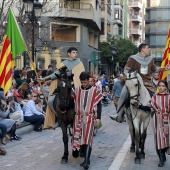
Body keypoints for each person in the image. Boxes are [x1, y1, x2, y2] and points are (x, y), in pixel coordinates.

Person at [109, 43, 170, 122]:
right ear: (143, 49)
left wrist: (165, 68)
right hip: (134, 82)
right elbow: (126, 70)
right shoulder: (133, 58)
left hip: (147, 83)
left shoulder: (150, 59)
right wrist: (130, 76)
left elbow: (155, 69)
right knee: (123, 93)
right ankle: (119, 114)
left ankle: (157, 114)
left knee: (155, 96)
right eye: (148, 48)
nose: (149, 50)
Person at [38, 47, 85, 128]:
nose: (75, 54)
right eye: (73, 52)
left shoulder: (79, 63)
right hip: (63, 86)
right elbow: (56, 74)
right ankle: (59, 118)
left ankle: (79, 119)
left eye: (76, 52)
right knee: (50, 101)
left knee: (80, 101)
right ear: (69, 53)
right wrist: (44, 79)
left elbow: (82, 76)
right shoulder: (64, 64)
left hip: (74, 86)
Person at [72, 72, 103, 169]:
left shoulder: (95, 90)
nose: (83, 84)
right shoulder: (77, 90)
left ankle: (87, 161)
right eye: (82, 82)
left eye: (85, 82)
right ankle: (83, 155)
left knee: (88, 139)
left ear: (88, 80)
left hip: (89, 117)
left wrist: (98, 118)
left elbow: (99, 104)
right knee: (80, 137)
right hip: (78, 117)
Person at [151, 80, 170, 167]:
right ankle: (161, 158)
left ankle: (165, 152)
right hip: (157, 120)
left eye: (163, 86)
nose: (161, 87)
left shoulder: (169, 97)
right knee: (159, 138)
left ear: (166, 87)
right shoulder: (154, 97)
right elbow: (152, 107)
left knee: (166, 137)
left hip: (168, 120)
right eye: (159, 85)